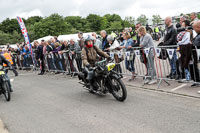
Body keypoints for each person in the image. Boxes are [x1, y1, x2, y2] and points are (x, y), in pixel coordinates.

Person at [191, 20, 200, 88]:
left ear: (198, 27)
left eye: (194, 28)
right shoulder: (198, 34)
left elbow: (195, 43)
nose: (194, 29)